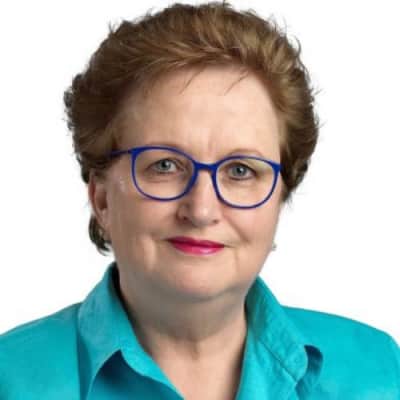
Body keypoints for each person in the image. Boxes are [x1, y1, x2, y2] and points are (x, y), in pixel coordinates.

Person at [0, 1, 399, 399]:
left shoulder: (378, 372)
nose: (202, 210)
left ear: (279, 198)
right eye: (165, 166)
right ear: (101, 199)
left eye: (240, 171)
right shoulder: (11, 379)